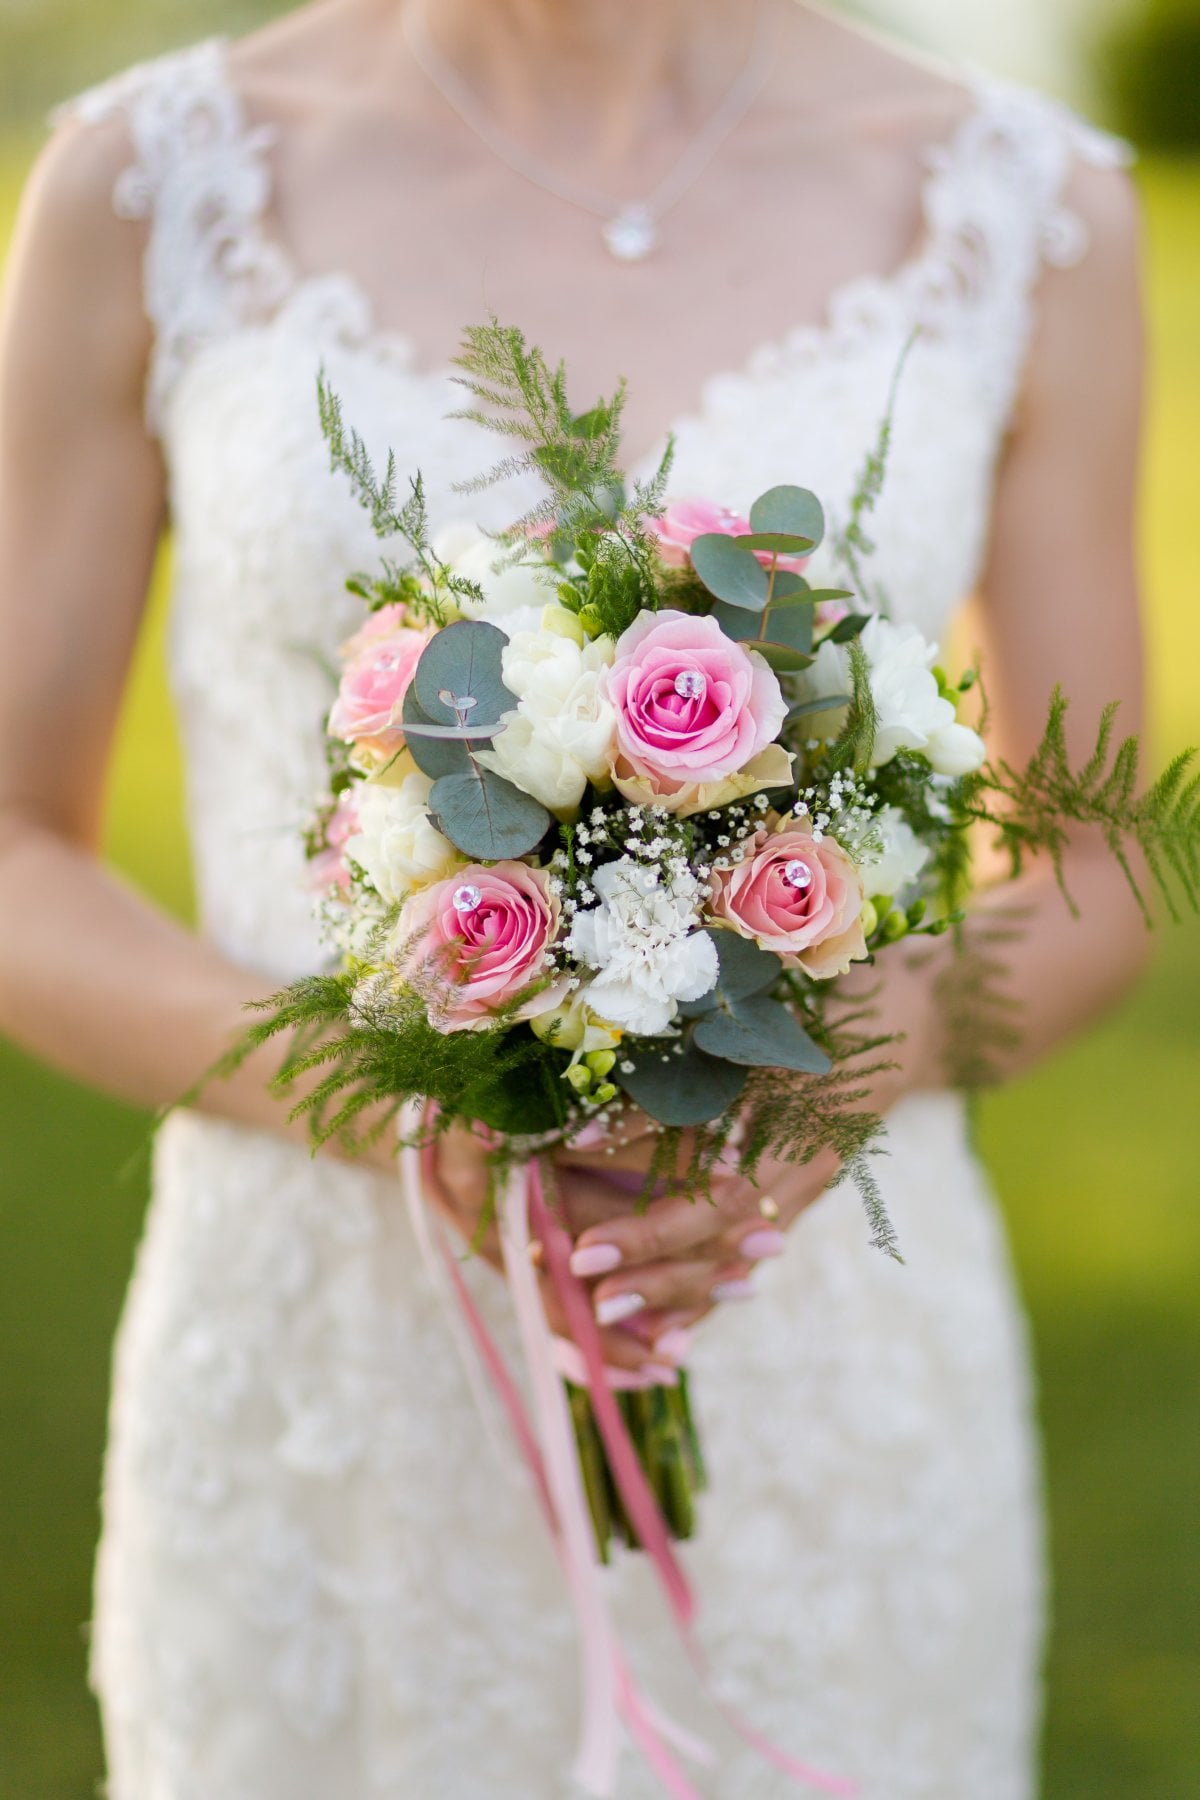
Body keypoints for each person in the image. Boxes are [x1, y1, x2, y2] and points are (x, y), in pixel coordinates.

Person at [0, 1, 1148, 1793]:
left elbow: (1100, 859)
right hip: (332, 1379)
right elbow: (14, 846)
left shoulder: (1021, 205)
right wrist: (383, 1098)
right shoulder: (149, 183)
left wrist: (835, 1067)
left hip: (817, 1335)